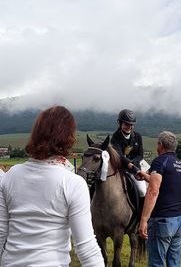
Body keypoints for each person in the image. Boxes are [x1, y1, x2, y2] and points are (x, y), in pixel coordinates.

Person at [0, 106, 104, 267]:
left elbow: (1, 232)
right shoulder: (74, 184)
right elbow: (86, 248)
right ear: (68, 139)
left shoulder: (10, 175)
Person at [137, 131, 181, 267]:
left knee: (156, 263)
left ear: (160, 145)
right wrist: (146, 176)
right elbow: (165, 183)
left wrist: (143, 220)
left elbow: (153, 190)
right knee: (175, 262)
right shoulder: (180, 165)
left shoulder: (160, 162)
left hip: (162, 221)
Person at [111, 109, 146, 198]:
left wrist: (133, 164)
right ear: (120, 123)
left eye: (131, 125)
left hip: (136, 170)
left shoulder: (137, 136)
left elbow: (140, 155)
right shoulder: (115, 137)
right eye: (127, 124)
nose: (129, 127)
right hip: (120, 169)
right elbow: (120, 156)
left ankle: (140, 211)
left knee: (142, 191)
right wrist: (130, 165)